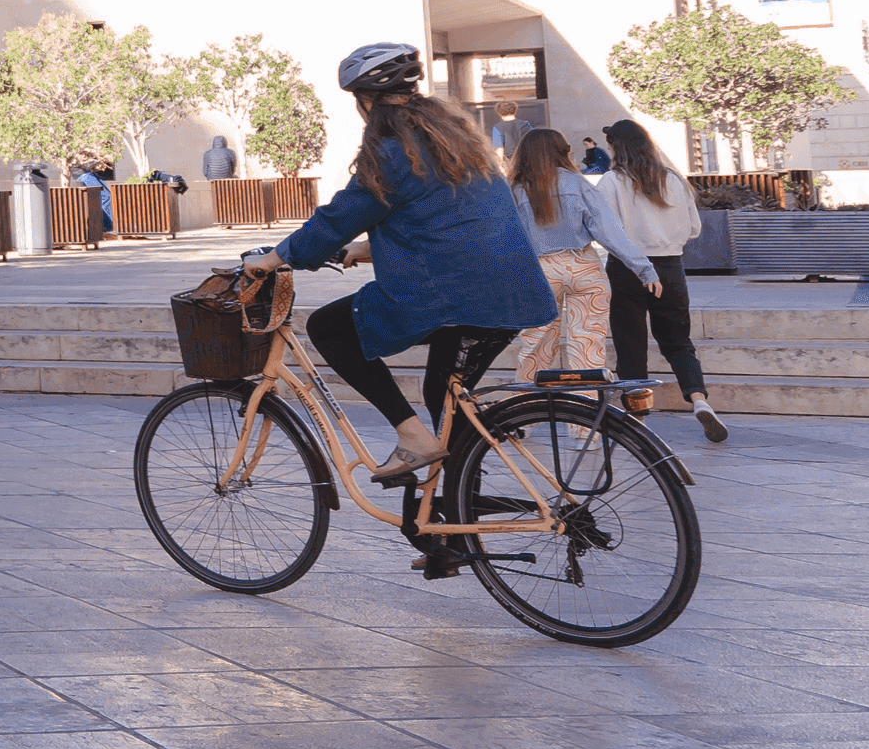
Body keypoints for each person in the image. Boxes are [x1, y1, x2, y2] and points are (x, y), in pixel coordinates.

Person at [246, 44, 555, 553]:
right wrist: (367, 250)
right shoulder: (456, 144)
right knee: (447, 403)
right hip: (511, 290)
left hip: (457, 295)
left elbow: (338, 216)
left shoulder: (390, 151)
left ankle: (412, 443)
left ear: (365, 102)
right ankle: (447, 529)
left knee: (329, 327)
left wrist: (275, 258)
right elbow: (441, 217)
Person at [596, 118, 728, 444]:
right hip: (670, 267)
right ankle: (699, 400)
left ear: (616, 147)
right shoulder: (674, 180)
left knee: (631, 343)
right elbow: (694, 229)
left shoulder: (612, 182)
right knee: (678, 342)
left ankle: (638, 420)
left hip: (628, 267)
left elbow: (606, 230)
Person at [494, 128, 659, 386]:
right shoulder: (577, 183)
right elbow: (608, 230)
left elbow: (506, 241)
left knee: (535, 348)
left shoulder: (514, 189)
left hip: (541, 271)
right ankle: (584, 424)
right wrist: (644, 269)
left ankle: (520, 417)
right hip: (584, 266)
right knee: (587, 351)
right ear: (563, 153)